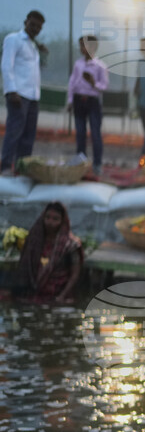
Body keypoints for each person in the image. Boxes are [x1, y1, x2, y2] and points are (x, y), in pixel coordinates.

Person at [2, 11, 45, 175]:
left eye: (38, 27)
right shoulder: (13, 39)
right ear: (25, 21)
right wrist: (12, 90)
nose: (35, 29)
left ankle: (22, 168)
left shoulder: (33, 45)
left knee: (28, 135)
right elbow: (6, 66)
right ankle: (6, 166)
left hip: (33, 96)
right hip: (19, 95)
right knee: (14, 132)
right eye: (32, 24)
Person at [15, 202, 82, 304]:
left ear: (62, 221)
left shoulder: (70, 245)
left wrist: (62, 296)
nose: (50, 222)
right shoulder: (34, 240)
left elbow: (75, 274)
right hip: (32, 295)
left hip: (57, 296)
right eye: (48, 217)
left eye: (55, 219)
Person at [66, 35, 109, 176]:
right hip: (79, 100)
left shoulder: (100, 66)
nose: (81, 49)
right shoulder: (78, 64)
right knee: (80, 133)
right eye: (80, 46)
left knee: (95, 134)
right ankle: (80, 162)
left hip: (93, 102)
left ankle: (97, 164)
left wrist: (93, 83)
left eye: (83, 45)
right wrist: (70, 101)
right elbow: (72, 83)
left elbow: (104, 87)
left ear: (92, 47)